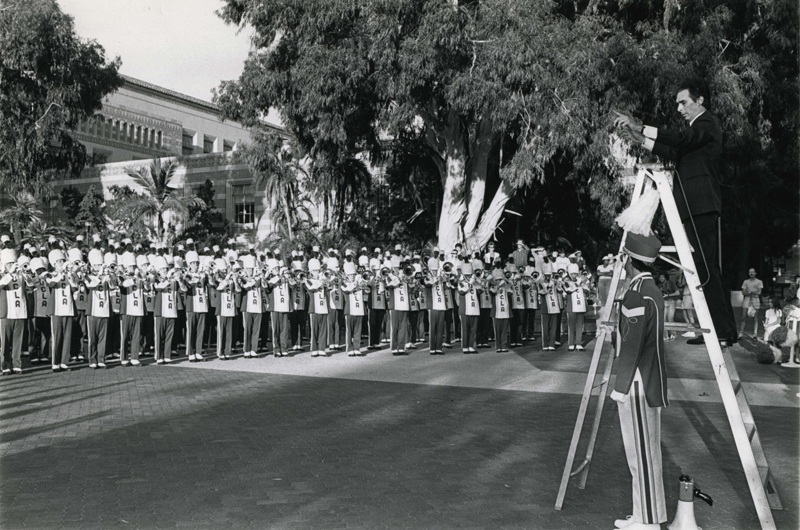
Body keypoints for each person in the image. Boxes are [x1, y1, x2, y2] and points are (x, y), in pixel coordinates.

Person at [615, 79, 739, 346]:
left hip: (702, 204)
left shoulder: (707, 123)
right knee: (705, 269)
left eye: (684, 102)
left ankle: (723, 332)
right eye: (678, 104)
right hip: (691, 205)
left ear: (700, 100)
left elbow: (683, 139)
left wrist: (641, 126)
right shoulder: (694, 132)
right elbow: (673, 150)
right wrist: (641, 139)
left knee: (706, 270)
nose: (680, 108)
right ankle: (723, 330)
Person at [608, 233, 668, 530]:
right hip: (648, 378)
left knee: (640, 455)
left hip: (636, 382)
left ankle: (647, 521)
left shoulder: (636, 293)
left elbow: (630, 345)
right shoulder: (650, 289)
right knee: (647, 452)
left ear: (629, 260)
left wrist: (619, 387)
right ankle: (646, 513)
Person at [740, 268, 763, 339]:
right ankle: (741, 332)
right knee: (744, 317)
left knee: (755, 317)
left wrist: (749, 292)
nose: (751, 273)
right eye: (750, 272)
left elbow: (759, 292)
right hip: (746, 300)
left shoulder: (759, 281)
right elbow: (743, 292)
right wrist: (753, 292)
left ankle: (755, 333)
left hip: (755, 300)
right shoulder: (745, 282)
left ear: (755, 273)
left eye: (753, 272)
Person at [657, 272, 680, 341]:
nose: (660, 278)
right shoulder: (659, 285)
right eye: (660, 277)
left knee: (670, 318)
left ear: (665, 277)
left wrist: (668, 295)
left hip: (671, 301)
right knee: (663, 319)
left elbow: (677, 292)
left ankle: (673, 333)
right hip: (663, 302)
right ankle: (665, 335)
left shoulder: (671, 283)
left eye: (662, 277)